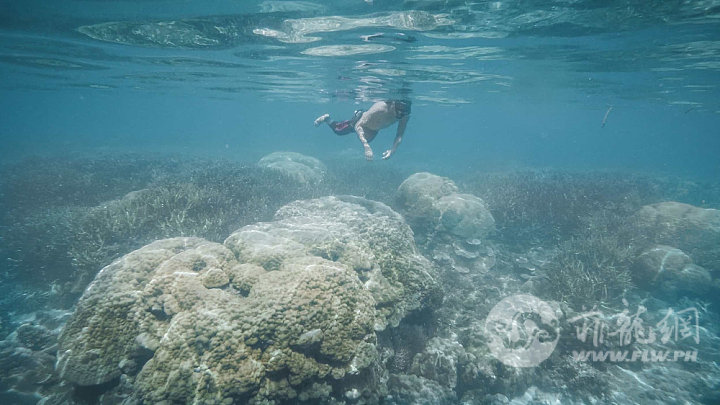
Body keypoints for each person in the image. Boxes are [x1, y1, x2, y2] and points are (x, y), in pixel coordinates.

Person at [314, 99, 411, 160]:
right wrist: (366, 146)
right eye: (399, 109)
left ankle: (337, 120)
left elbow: (399, 134)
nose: (400, 114)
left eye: (404, 111)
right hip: (362, 121)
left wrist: (393, 150)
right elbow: (358, 126)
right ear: (393, 104)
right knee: (339, 131)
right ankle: (327, 119)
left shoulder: (404, 116)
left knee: (368, 139)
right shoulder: (380, 108)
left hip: (373, 129)